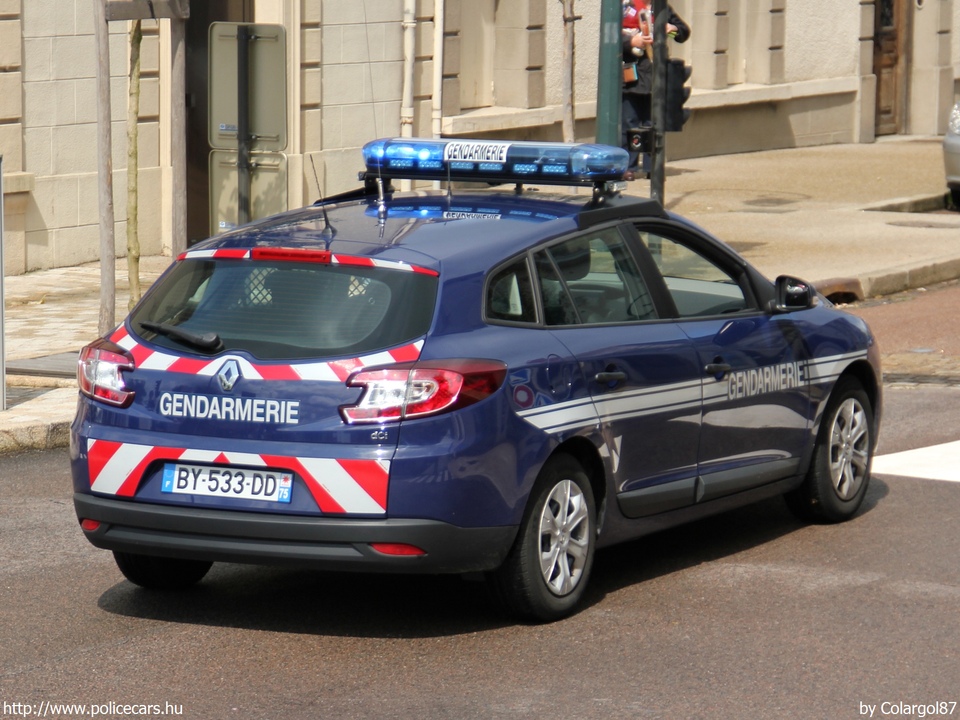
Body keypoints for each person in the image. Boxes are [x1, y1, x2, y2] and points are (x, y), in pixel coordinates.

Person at [621, 0, 690, 180]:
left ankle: (653, 167)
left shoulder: (661, 7)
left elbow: (683, 33)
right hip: (630, 73)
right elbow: (610, 37)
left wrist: (671, 29)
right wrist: (631, 41)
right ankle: (630, 166)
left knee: (652, 123)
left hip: (654, 75)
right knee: (630, 123)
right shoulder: (623, 6)